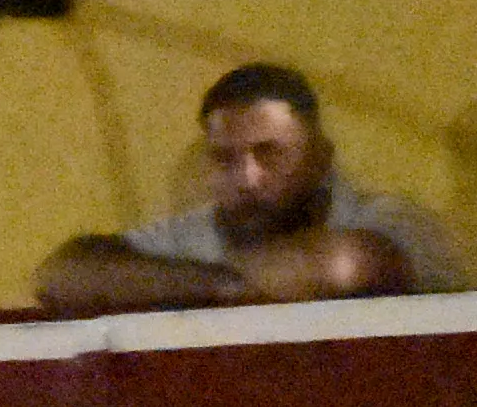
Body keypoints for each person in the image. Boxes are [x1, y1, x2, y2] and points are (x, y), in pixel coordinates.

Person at [36, 57, 455, 307]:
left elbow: (346, 264)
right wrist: (222, 284)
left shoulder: (395, 220)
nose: (248, 178)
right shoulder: (198, 231)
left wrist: (178, 284)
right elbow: (62, 275)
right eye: (225, 158)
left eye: (270, 153)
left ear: (321, 157)